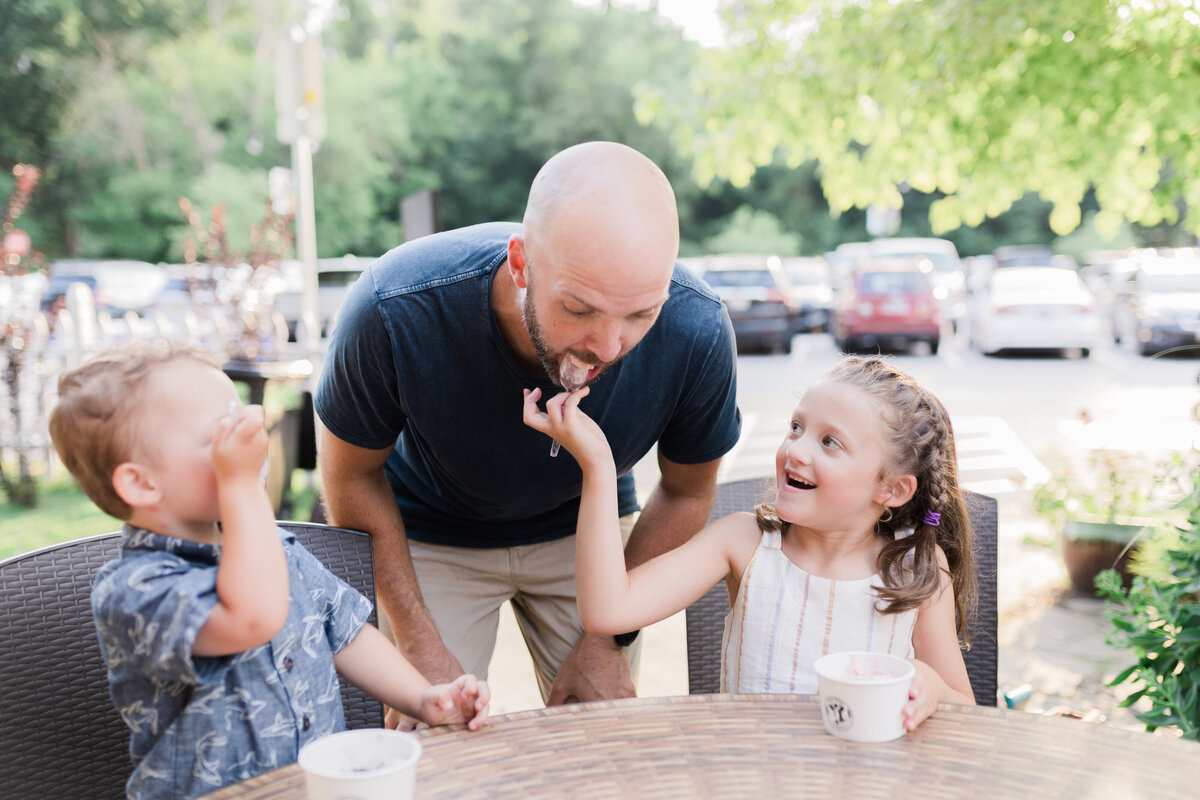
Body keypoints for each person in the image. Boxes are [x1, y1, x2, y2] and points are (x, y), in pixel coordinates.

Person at [315, 141, 741, 719]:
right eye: (580, 308)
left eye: (641, 314)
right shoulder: (393, 308)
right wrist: (418, 644)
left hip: (587, 526)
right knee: (430, 730)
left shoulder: (697, 326)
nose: (608, 348)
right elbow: (351, 477)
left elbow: (689, 490)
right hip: (431, 530)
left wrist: (607, 640)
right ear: (520, 263)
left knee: (603, 729)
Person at [48, 342, 489, 800]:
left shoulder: (275, 546)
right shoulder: (134, 591)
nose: (252, 434)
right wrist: (241, 483)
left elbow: (347, 633)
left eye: (241, 414)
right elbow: (252, 618)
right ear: (141, 483)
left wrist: (421, 698)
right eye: (222, 435)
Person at [523, 355, 977, 730]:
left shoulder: (916, 567)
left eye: (830, 442)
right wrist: (599, 469)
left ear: (892, 490)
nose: (796, 450)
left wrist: (933, 688)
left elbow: (967, 711)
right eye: (796, 427)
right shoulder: (744, 543)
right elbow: (607, 611)